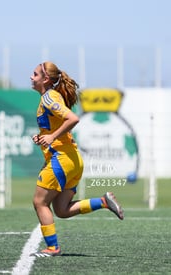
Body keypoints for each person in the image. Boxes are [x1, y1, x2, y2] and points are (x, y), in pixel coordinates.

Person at [29, 61, 124, 257]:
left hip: (61, 160)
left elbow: (73, 118)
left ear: (45, 79)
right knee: (62, 210)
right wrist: (43, 137)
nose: (31, 77)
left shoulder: (49, 98)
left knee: (40, 203)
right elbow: (55, 127)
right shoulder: (49, 97)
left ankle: (53, 248)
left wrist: (52, 137)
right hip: (72, 161)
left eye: (35, 74)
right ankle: (103, 202)